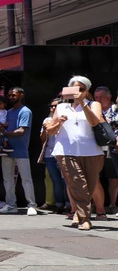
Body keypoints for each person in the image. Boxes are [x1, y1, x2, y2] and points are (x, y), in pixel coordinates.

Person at [46, 76, 105, 230]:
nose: (78, 92)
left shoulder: (94, 104)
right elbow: (50, 131)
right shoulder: (61, 107)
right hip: (66, 151)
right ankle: (85, 217)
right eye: (75, 89)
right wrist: (60, 122)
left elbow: (94, 122)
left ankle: (78, 213)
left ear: (87, 91)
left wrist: (83, 104)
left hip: (92, 152)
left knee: (89, 185)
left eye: (82, 89)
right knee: (78, 183)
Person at [0, 87, 39, 216]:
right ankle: (10, 205)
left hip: (21, 150)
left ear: (21, 95)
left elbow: (21, 131)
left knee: (26, 179)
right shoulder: (7, 112)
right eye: (9, 95)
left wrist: (4, 132)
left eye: (14, 95)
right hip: (6, 149)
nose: (11, 97)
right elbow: (2, 125)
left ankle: (31, 205)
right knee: (7, 179)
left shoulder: (25, 111)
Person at [40, 97, 69, 214]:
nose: (53, 108)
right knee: (55, 180)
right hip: (49, 154)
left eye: (55, 106)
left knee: (65, 181)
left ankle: (68, 204)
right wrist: (44, 130)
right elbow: (42, 140)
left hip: (62, 152)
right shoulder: (47, 119)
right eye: (51, 106)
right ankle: (59, 204)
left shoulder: (67, 118)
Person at [94, 86, 118, 213]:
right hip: (96, 147)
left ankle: (113, 204)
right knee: (94, 177)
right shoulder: (93, 110)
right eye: (96, 97)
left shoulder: (115, 109)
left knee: (113, 178)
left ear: (109, 96)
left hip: (111, 148)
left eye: (101, 97)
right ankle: (95, 205)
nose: (98, 99)